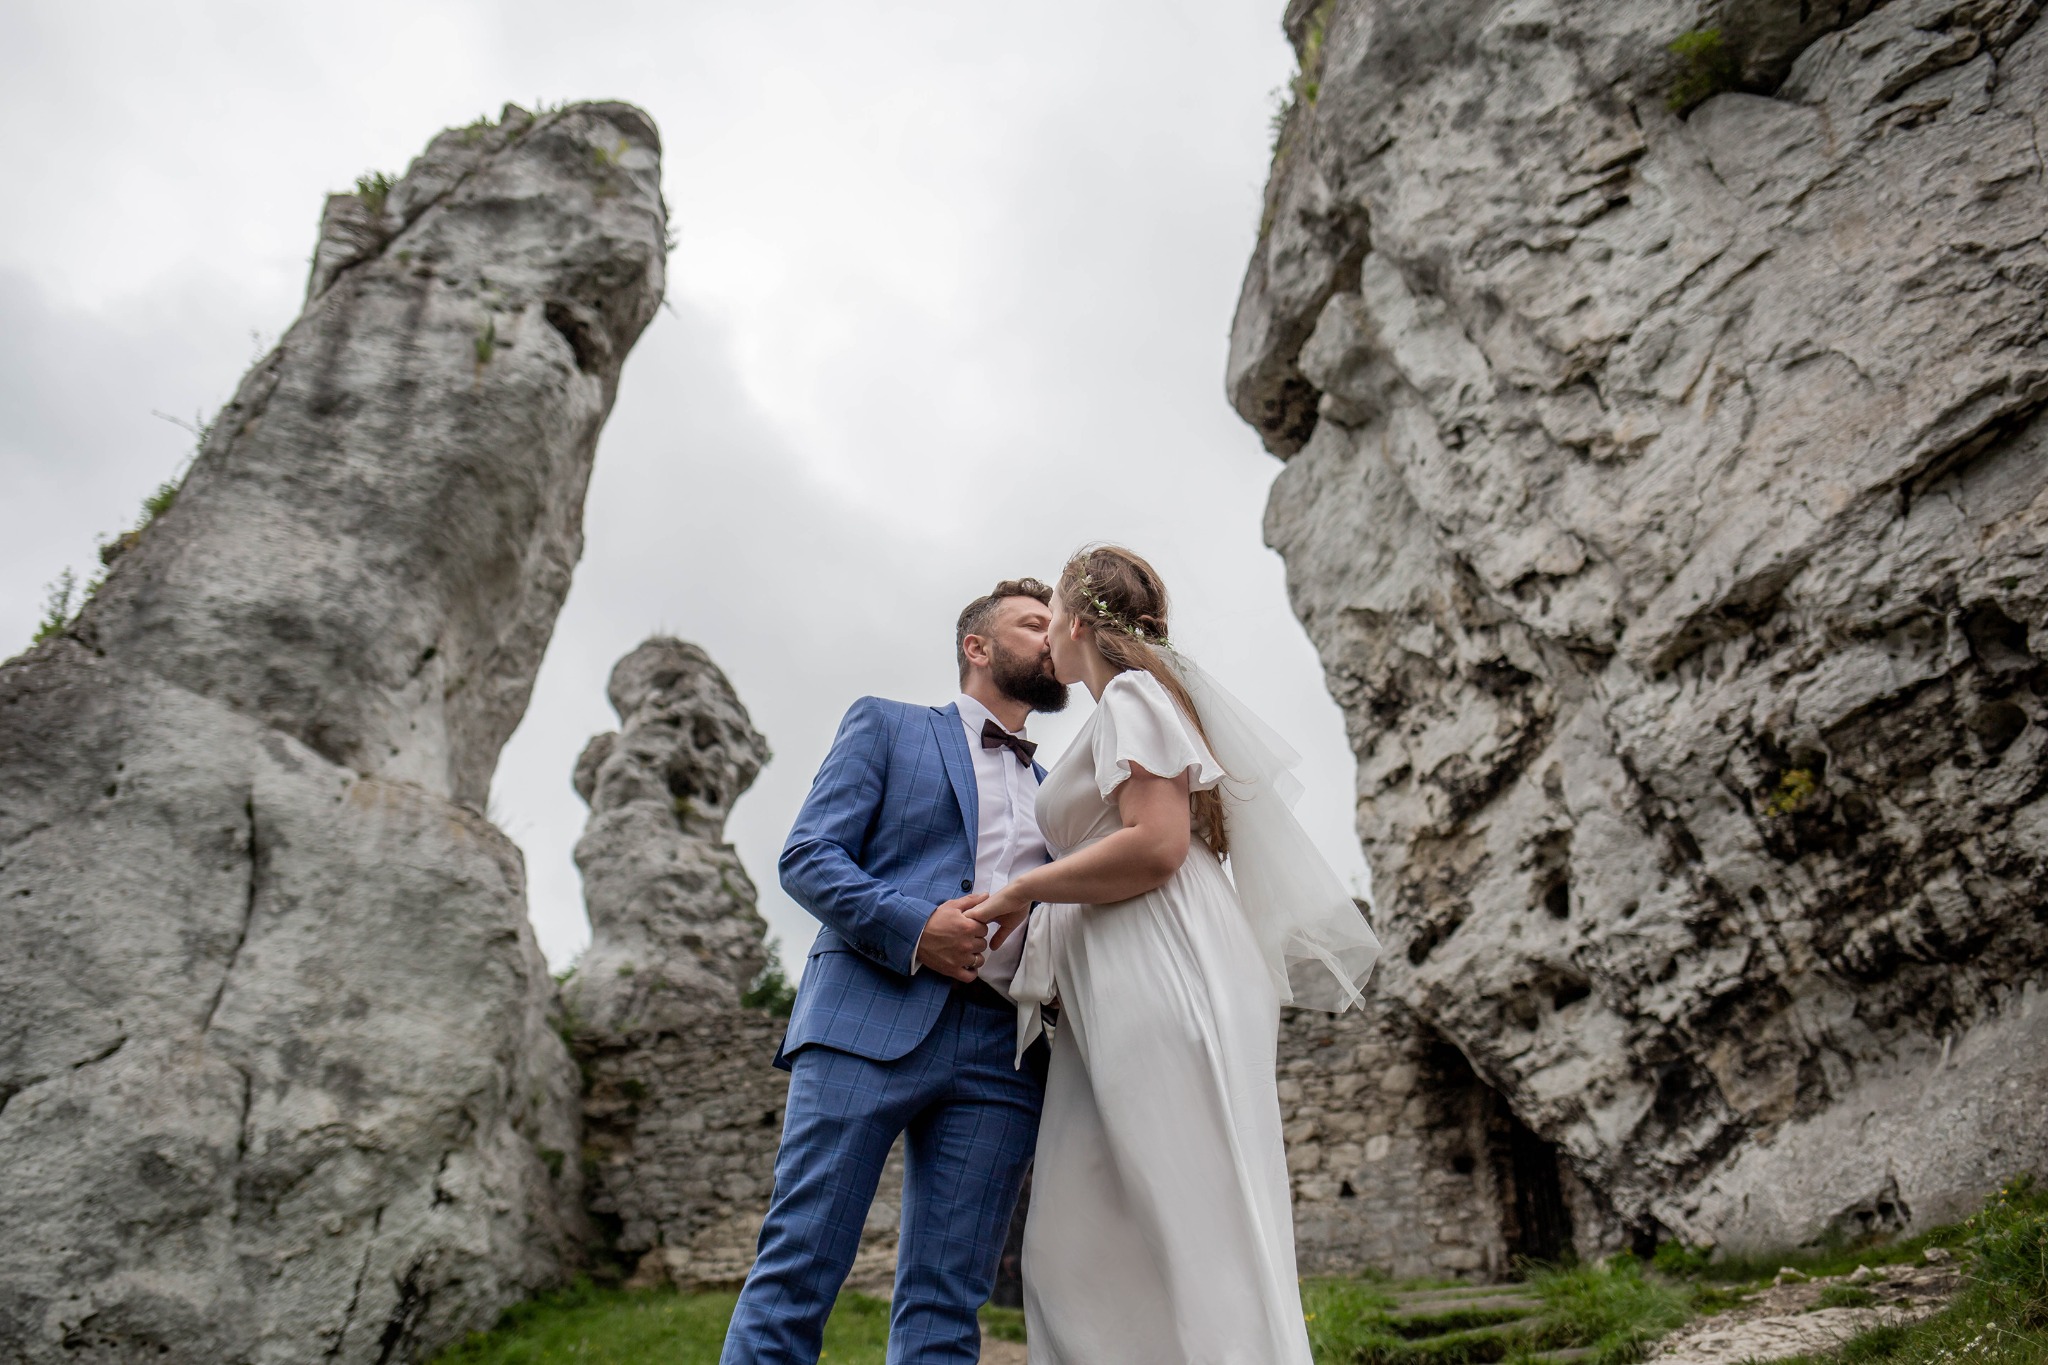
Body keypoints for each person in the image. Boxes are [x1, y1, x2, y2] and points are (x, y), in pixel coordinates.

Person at [969, 544, 1381, 1365]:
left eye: (1048, 610)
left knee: (1193, 1219)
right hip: (1120, 978)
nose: (1044, 629)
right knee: (1078, 1237)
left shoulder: (1130, 694)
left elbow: (1156, 846)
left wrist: (1023, 892)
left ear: (1078, 619)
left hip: (1161, 964)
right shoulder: (1124, 704)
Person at [720, 579, 1067, 1365]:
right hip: (864, 1017)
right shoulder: (886, 723)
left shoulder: (1059, 799)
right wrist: (919, 928)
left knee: (948, 1303)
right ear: (977, 647)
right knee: (798, 1269)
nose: (1053, 637)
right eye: (1032, 623)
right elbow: (807, 856)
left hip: (1001, 1058)